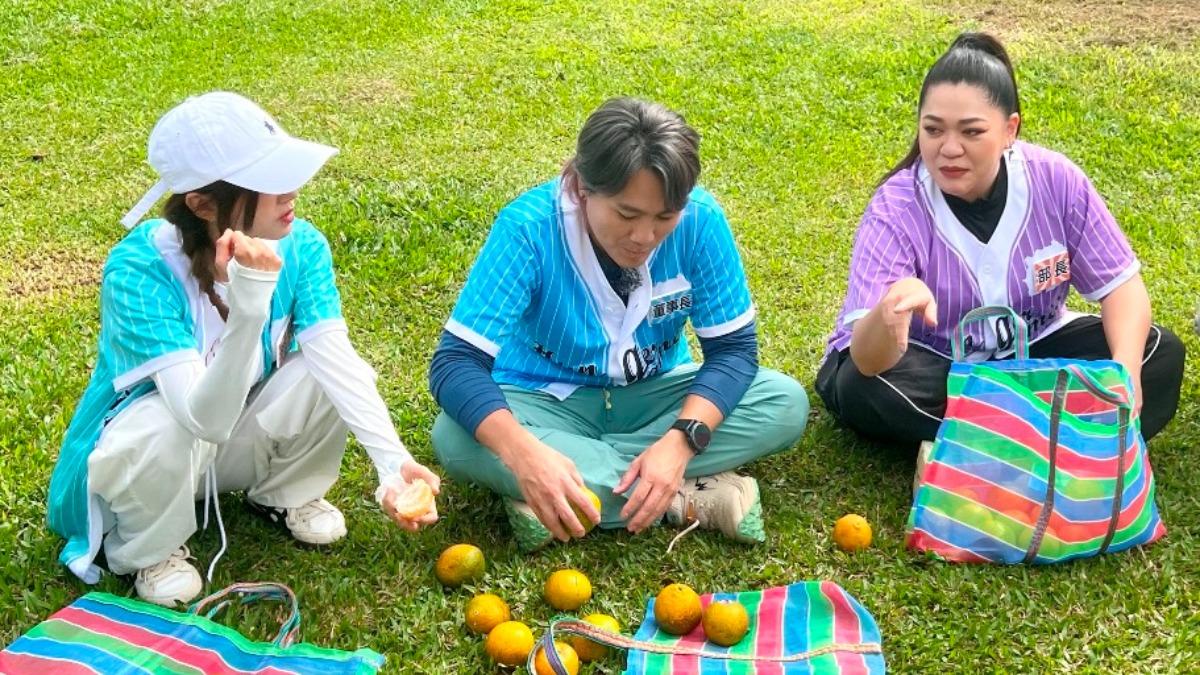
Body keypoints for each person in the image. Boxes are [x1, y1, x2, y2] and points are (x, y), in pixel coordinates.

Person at [47, 92, 441, 607]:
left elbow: (336, 360)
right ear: (202, 204)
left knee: (322, 372)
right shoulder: (140, 269)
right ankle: (149, 548)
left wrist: (392, 464)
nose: (292, 191)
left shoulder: (303, 245)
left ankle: (285, 494)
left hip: (224, 447)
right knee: (161, 419)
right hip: (150, 457)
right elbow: (199, 420)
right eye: (267, 182)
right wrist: (250, 302)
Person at [429, 97, 809, 552]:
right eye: (627, 214)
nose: (645, 237)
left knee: (784, 403)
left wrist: (681, 442)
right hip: (540, 401)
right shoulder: (528, 230)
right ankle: (683, 496)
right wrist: (525, 454)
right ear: (580, 187)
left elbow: (734, 353)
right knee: (453, 436)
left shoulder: (702, 221)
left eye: (665, 217)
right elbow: (456, 363)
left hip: (656, 396)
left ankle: (574, 492)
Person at [816, 33, 1185, 450]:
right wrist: (890, 310)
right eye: (932, 130)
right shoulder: (896, 207)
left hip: (1034, 350)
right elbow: (867, 360)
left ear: (1010, 129)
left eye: (971, 132)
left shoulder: (1056, 179)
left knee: (1158, 354)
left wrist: (1124, 375)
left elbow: (1122, 288)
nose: (948, 148)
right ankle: (1063, 442)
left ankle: (979, 446)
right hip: (934, 363)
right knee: (868, 388)